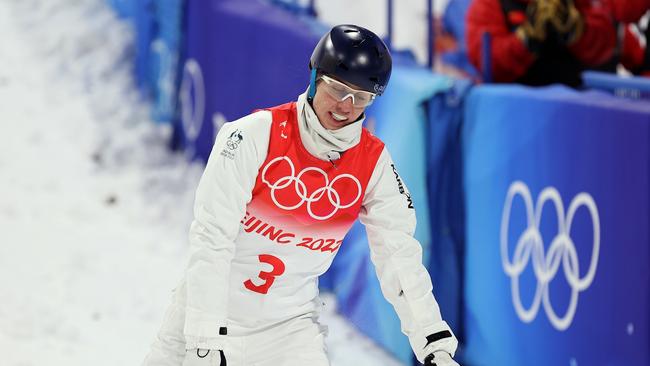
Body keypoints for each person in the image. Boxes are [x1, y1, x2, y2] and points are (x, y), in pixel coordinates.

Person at [142, 24, 460, 366]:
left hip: (288, 333)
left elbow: (398, 254)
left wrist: (433, 341)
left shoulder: (373, 164)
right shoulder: (252, 136)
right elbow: (212, 238)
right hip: (207, 319)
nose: (345, 107)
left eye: (361, 98)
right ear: (315, 78)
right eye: (337, 89)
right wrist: (204, 341)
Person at [466, 0, 617, 87]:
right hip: (514, 111)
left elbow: (606, 42)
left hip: (573, 105)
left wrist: (577, 29)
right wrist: (525, 40)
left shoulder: (575, 4)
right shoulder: (489, 5)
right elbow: (487, 62)